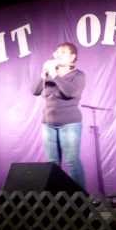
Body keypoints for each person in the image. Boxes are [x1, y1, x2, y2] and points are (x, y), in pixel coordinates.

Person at [32, 42, 86, 189]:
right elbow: (35, 91)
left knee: (71, 161)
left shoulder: (78, 75)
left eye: (63, 52)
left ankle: (80, 200)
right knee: (52, 163)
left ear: (72, 57)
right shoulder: (49, 74)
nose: (58, 55)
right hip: (48, 124)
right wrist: (43, 75)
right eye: (57, 52)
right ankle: (57, 201)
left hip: (69, 123)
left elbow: (69, 92)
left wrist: (55, 74)